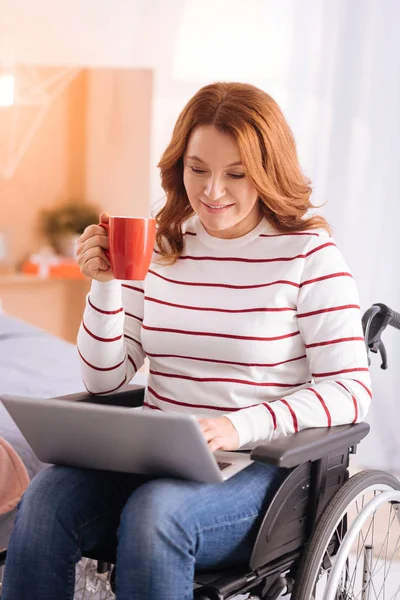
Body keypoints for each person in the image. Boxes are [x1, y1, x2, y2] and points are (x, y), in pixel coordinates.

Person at [2, 82, 371, 600]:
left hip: (260, 467)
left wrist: (235, 425)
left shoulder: (308, 255)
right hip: (155, 457)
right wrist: (105, 284)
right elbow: (104, 379)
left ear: (267, 171)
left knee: (158, 512)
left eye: (236, 174)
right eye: (198, 169)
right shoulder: (162, 246)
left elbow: (351, 389)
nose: (212, 191)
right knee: (44, 498)